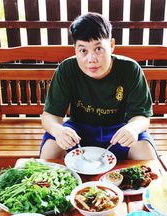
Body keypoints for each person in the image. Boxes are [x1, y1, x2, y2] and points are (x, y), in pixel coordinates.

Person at [40, 12, 157, 160]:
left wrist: (133, 128)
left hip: (119, 130)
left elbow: (142, 117)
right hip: (78, 131)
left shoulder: (130, 69)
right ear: (75, 49)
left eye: (98, 49)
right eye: (83, 50)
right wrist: (58, 130)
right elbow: (49, 116)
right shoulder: (67, 69)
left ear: (112, 45)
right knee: (51, 150)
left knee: (145, 152)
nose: (91, 59)